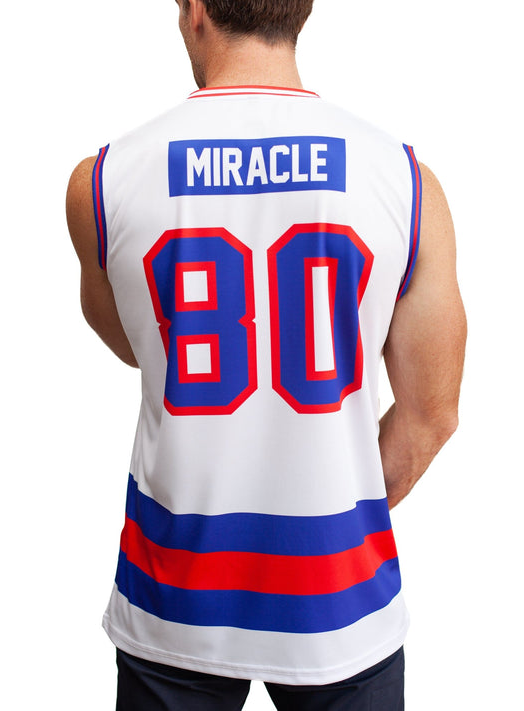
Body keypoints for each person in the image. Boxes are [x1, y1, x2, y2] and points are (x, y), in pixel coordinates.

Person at [66, 0, 467, 708]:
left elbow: (137, 346)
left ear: (194, 9)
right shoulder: (404, 181)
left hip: (174, 592)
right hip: (342, 603)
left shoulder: (101, 181)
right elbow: (430, 416)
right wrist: (333, 507)